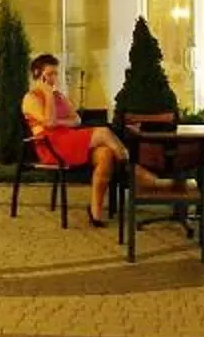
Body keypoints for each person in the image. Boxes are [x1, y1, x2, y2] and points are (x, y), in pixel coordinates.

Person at [20, 52, 128, 226]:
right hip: (51, 145)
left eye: (55, 73)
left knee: (105, 154)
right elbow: (48, 122)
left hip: (68, 138)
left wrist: (59, 121)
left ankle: (95, 213)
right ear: (37, 74)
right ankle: (129, 168)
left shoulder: (59, 97)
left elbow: (76, 119)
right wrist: (48, 95)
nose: (54, 78)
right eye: (49, 74)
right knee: (104, 132)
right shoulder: (30, 98)